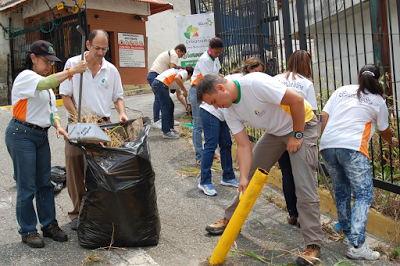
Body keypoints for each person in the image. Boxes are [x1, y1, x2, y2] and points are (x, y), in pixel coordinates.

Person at [197, 73, 324, 266]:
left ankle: (313, 245)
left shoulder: (255, 84)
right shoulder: (229, 109)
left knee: (304, 185)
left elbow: (297, 100)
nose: (216, 107)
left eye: (214, 101)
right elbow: (243, 145)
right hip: (275, 132)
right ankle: (231, 220)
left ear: (221, 88)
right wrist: (243, 178)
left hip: (302, 124)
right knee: (248, 177)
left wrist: (297, 135)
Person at [5, 40, 87, 248]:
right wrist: (71, 71)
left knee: (45, 183)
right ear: (33, 58)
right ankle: (28, 230)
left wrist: (58, 125)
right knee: (27, 185)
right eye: (45, 60)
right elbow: (45, 83)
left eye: (51, 62)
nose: (49, 65)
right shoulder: (26, 77)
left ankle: (49, 224)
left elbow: (52, 112)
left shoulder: (48, 87)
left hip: (40, 136)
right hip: (21, 134)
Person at [320, 64, 398, 261]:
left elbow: (324, 116)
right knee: (364, 194)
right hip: (353, 147)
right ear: (378, 80)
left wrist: (324, 140)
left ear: (358, 76)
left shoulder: (342, 90)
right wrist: (392, 141)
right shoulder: (378, 100)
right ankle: (357, 245)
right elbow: (384, 129)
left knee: (342, 191)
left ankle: (349, 236)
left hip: (328, 145)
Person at [59, 29, 128, 230]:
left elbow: (118, 97)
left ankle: (99, 209)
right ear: (88, 45)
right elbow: (65, 96)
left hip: (102, 122)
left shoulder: (111, 70)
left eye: (104, 49)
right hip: (78, 120)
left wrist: (121, 113)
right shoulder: (73, 64)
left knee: (100, 166)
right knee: (74, 160)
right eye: (97, 48)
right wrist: (79, 119)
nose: (100, 52)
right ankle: (77, 211)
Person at [197, 57, 266, 196]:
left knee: (226, 143)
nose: (258, 74)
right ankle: (204, 181)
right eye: (256, 71)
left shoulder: (250, 82)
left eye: (261, 72)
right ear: (249, 69)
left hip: (223, 113)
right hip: (210, 111)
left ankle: (228, 176)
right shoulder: (239, 80)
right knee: (211, 145)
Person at [273, 50, 318, 226]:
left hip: (278, 130)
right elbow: (311, 113)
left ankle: (293, 214)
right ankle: (304, 219)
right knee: (303, 176)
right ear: (307, 64)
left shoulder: (276, 79)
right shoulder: (306, 83)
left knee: (286, 173)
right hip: (298, 132)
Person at [189, 37, 224, 164]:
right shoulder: (205, 59)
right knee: (198, 125)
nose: (218, 54)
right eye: (216, 52)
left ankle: (210, 152)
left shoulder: (215, 58)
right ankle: (199, 155)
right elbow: (210, 80)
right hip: (198, 91)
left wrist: (226, 79)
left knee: (208, 122)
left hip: (208, 91)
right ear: (210, 49)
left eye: (220, 52)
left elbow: (218, 74)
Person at [147, 44, 187, 129]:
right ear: (178, 51)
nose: (180, 57)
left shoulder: (169, 53)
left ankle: (169, 120)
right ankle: (156, 121)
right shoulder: (174, 55)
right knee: (159, 98)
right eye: (181, 54)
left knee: (165, 99)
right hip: (155, 76)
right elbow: (172, 70)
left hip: (154, 75)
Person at [151, 66, 193, 139]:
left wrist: (186, 106)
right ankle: (166, 132)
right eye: (190, 77)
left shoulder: (180, 80)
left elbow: (179, 96)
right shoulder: (184, 72)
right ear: (190, 74)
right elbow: (177, 78)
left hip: (158, 84)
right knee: (166, 107)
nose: (188, 79)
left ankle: (170, 128)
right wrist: (184, 89)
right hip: (160, 84)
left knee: (171, 105)